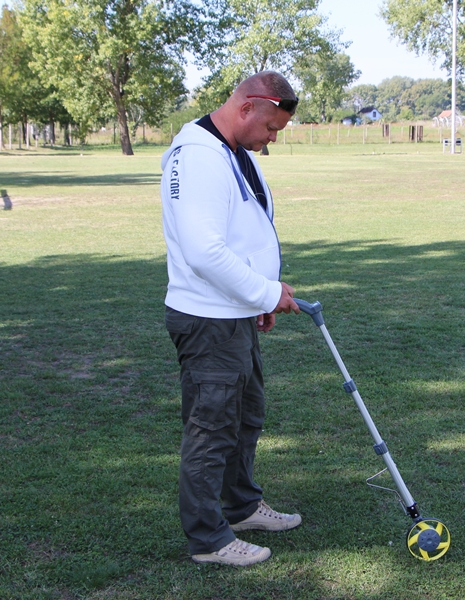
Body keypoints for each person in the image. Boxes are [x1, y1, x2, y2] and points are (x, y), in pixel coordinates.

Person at [160, 71, 302, 567]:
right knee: (211, 428)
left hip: (235, 313)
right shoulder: (199, 157)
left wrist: (256, 300)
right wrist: (265, 291)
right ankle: (209, 539)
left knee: (245, 417)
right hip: (207, 320)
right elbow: (203, 252)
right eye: (271, 127)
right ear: (247, 107)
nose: (271, 140)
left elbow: (244, 232)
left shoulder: (233, 151)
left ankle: (241, 508)